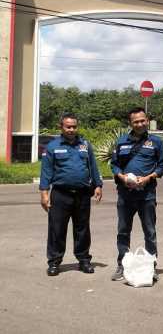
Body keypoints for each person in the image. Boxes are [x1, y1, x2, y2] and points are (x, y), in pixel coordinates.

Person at [39, 113, 103, 276]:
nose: (71, 129)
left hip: (82, 194)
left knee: (82, 229)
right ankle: (54, 262)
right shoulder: (52, 147)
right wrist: (44, 194)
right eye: (68, 127)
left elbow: (93, 166)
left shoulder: (85, 145)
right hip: (60, 195)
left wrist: (98, 185)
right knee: (57, 229)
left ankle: (84, 260)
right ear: (61, 127)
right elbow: (46, 172)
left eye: (74, 126)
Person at [110, 107, 163, 282]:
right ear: (130, 123)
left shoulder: (156, 142)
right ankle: (122, 265)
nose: (140, 124)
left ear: (147, 120)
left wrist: (148, 178)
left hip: (146, 195)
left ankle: (151, 266)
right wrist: (122, 177)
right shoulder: (121, 141)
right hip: (125, 194)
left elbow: (162, 166)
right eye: (136, 122)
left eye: (142, 120)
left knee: (150, 232)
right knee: (123, 231)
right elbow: (114, 164)